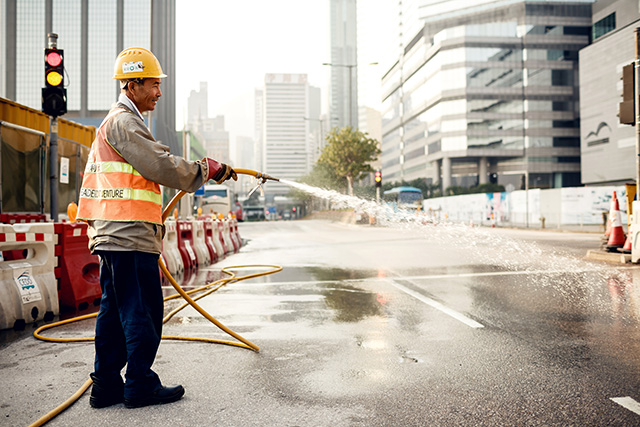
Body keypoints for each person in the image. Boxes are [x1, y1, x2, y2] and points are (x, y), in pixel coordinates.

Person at [76, 47, 237, 409]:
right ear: (131, 85)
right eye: (152, 85)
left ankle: (106, 386)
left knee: (116, 313)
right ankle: (139, 384)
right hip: (127, 235)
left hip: (119, 234)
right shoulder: (123, 122)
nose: (158, 92)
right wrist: (203, 169)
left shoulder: (122, 122)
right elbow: (159, 165)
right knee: (142, 311)